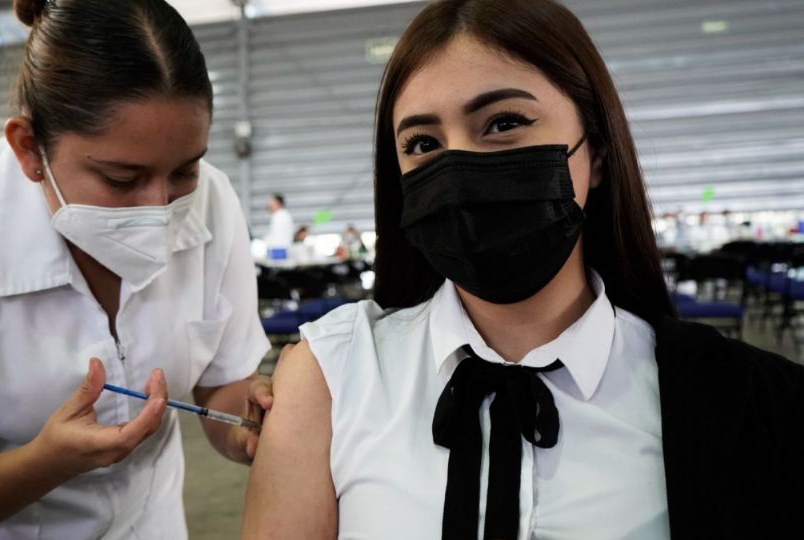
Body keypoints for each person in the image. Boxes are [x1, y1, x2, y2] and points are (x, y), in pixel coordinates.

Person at [242, 1, 804, 539]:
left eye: (505, 122)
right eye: (422, 143)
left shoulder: (746, 399)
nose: (459, 168)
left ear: (599, 153)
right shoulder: (335, 375)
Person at [0, 1, 272, 538]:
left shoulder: (212, 202)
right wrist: (47, 461)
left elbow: (221, 384)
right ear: (29, 149)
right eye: (121, 178)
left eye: (184, 171)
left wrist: (247, 427)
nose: (159, 208)